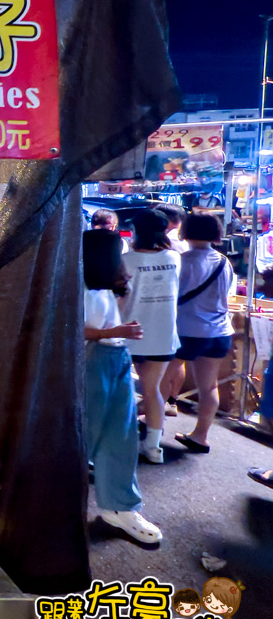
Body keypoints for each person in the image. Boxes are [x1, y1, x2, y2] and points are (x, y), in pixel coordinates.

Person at [82, 228, 163, 544]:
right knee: (85, 437)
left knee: (122, 436)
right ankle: (51, 509)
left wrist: (118, 327)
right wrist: (114, 331)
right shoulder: (81, 287)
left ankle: (120, 508)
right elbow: (75, 330)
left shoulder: (103, 286)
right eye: (120, 253)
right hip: (93, 362)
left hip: (115, 359)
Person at [164, 213, 235, 454]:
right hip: (219, 331)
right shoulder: (225, 262)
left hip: (187, 330)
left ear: (185, 232)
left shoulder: (181, 260)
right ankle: (200, 436)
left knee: (161, 379)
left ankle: (146, 420)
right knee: (209, 387)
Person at [120, 210, 181, 464]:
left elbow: (119, 297)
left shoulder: (126, 260)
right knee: (153, 390)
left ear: (136, 231)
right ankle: (154, 447)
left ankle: (119, 441)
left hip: (128, 332)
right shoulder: (175, 258)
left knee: (121, 389)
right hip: (163, 333)